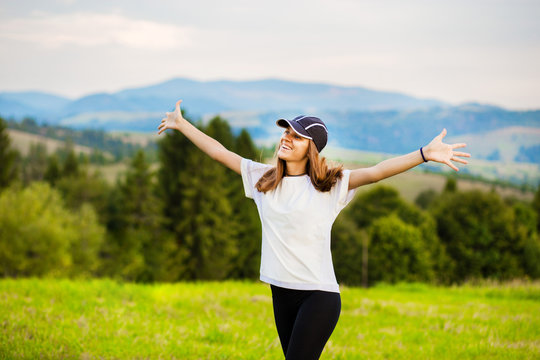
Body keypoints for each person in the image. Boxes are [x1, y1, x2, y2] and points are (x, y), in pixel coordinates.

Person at [157, 100, 470, 359]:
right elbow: (218, 152)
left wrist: (424, 154)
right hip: (280, 292)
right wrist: (183, 125)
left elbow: (376, 172)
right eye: (286, 132)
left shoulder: (329, 185)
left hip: (318, 297)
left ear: (311, 148)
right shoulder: (263, 180)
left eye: (296, 136)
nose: (286, 138)